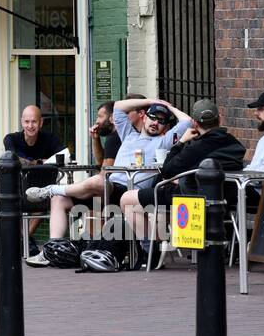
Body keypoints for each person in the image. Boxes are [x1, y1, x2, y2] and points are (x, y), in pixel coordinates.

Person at [25, 95, 191, 256]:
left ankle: (52, 188)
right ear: (144, 117)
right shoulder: (129, 134)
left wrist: (169, 107)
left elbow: (187, 121)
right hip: (106, 192)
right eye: (153, 117)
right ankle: (51, 250)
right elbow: (118, 106)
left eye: (161, 121)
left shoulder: (163, 141)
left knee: (99, 180)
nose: (155, 122)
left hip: (128, 192)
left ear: (166, 127)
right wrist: (151, 101)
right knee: (59, 200)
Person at [122, 99, 245, 267]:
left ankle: (150, 251)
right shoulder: (235, 144)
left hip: (191, 198)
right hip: (225, 199)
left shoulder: (196, 146)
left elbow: (167, 170)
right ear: (220, 119)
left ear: (194, 123)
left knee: (127, 199)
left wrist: (180, 142)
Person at [3, 105, 65, 259]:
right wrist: (39, 162)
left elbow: (63, 156)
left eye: (34, 122)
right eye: (27, 122)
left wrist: (33, 162)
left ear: (41, 122)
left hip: (40, 192)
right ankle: (25, 240)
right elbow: (13, 157)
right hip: (16, 190)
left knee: (46, 197)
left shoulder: (50, 139)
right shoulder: (11, 139)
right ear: (21, 122)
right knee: (16, 200)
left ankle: (22, 238)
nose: (30, 126)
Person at [89, 100, 121, 168]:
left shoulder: (114, 138)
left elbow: (106, 171)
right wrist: (95, 138)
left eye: (100, 116)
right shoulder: (114, 135)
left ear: (112, 117)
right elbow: (101, 162)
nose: (97, 121)